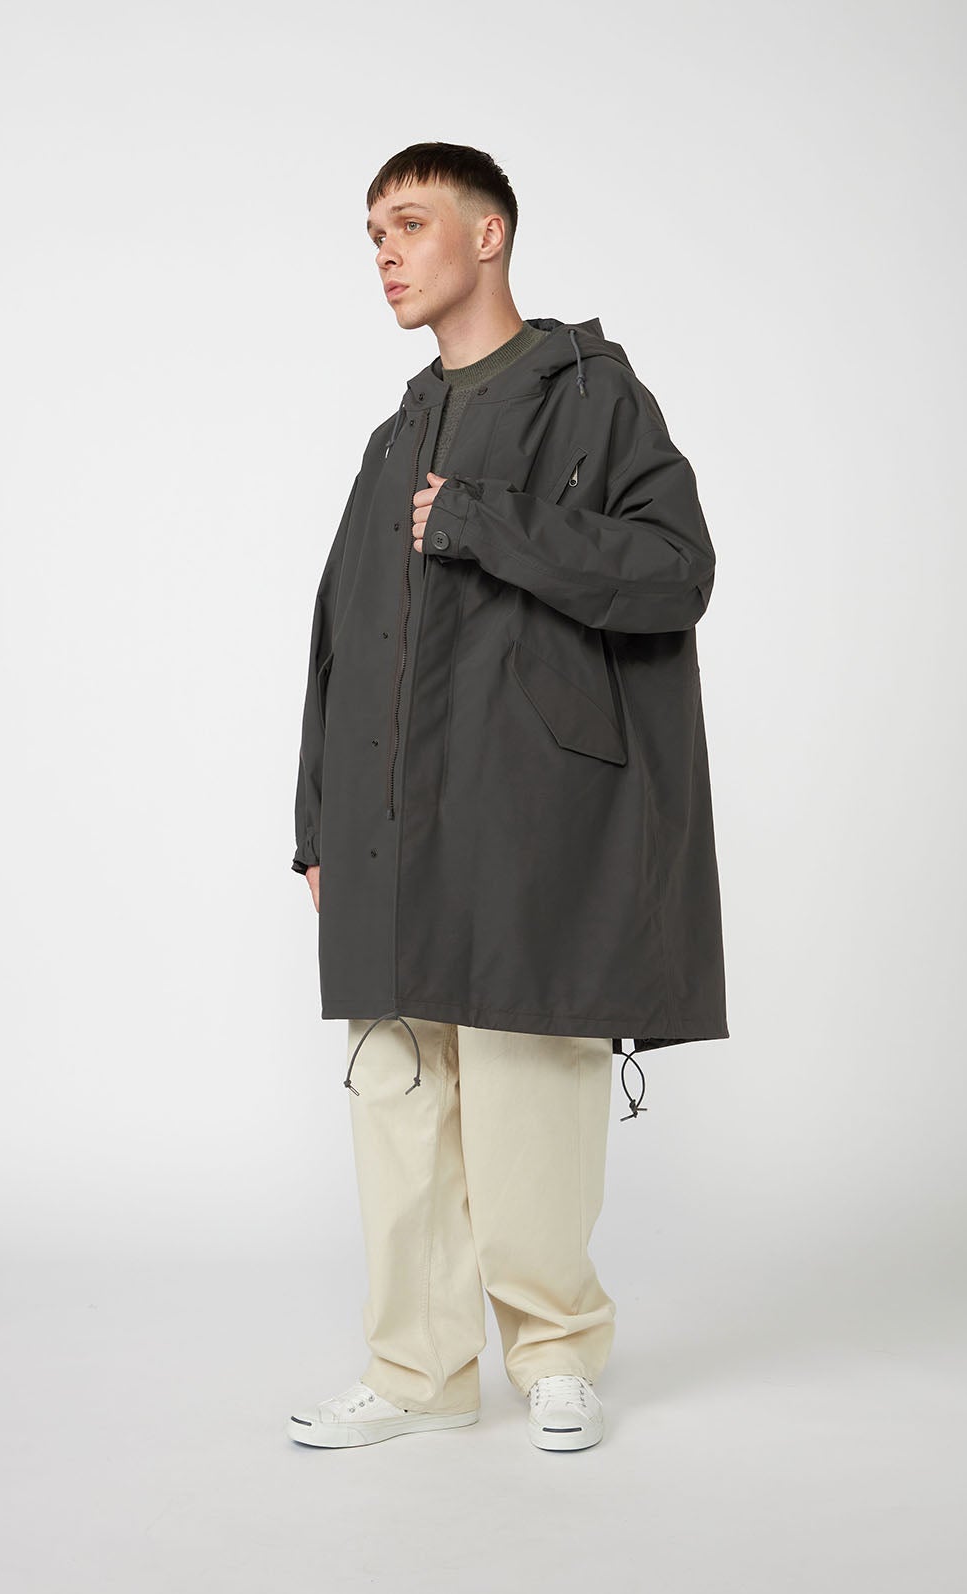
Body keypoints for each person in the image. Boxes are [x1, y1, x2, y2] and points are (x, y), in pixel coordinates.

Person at [286, 142, 728, 1453]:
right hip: (386, 825)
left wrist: (485, 518)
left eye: (410, 223)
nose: (385, 252)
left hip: (529, 815)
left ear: (489, 235)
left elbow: (675, 571)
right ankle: (417, 1371)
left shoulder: (590, 395)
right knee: (399, 1100)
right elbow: (340, 636)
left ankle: (554, 1354)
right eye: (373, 232)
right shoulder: (394, 436)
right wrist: (315, 823)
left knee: (529, 1084)